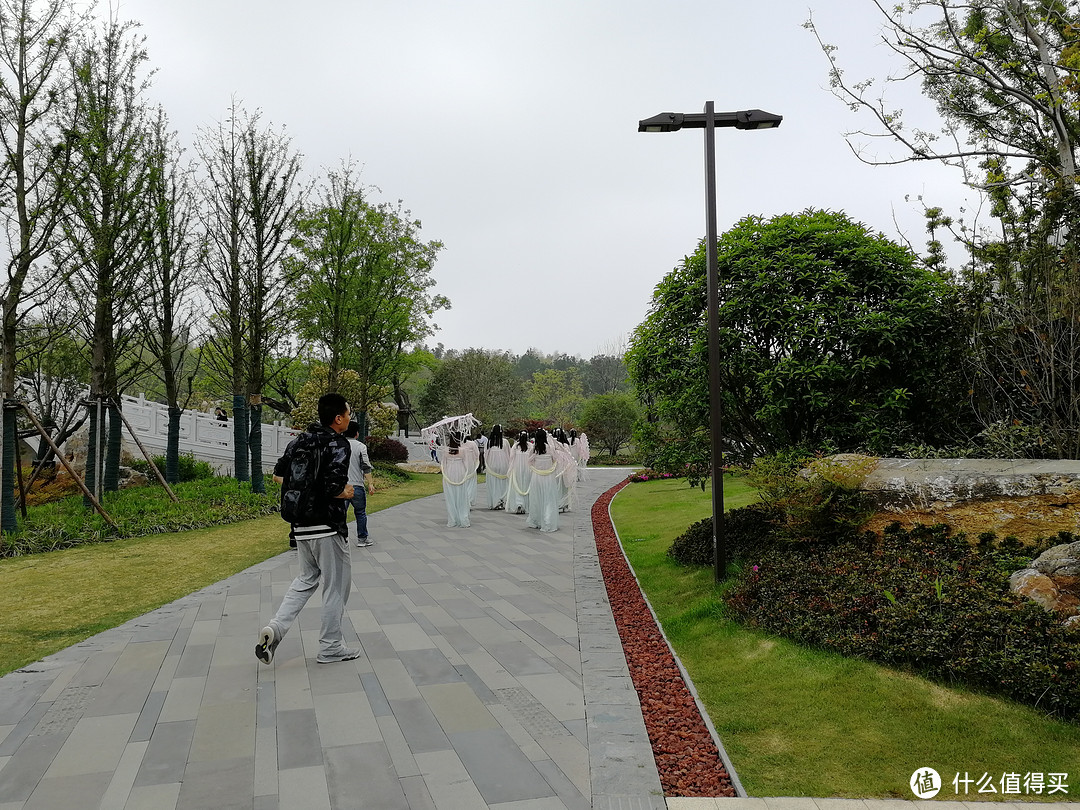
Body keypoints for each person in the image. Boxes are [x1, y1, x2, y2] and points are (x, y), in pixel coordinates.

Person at [256, 393, 360, 666]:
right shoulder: (338, 443)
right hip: (327, 527)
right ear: (338, 418)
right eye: (348, 413)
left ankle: (276, 629)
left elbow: (279, 474)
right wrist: (346, 492)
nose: (350, 417)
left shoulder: (298, 441)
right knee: (335, 587)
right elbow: (333, 487)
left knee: (305, 580)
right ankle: (331, 646)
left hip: (300, 526)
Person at [526, 428, 573, 532]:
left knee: (537, 498)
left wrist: (536, 465)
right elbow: (555, 459)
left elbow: (529, 461)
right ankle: (548, 521)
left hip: (537, 477)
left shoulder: (534, 449)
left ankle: (536, 520)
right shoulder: (549, 448)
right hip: (548, 477)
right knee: (548, 498)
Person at [344, 421, 375, 548]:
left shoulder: (338, 445)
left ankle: (341, 539)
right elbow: (365, 467)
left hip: (342, 486)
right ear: (357, 433)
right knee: (360, 513)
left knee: (341, 514)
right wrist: (371, 483)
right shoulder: (361, 447)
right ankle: (362, 538)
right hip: (357, 484)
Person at [438, 431, 479, 527]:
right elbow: (466, 464)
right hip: (460, 472)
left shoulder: (445, 451)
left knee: (451, 496)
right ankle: (462, 517)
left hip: (449, 473)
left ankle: (452, 518)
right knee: (461, 494)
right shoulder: (463, 450)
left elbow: (443, 464)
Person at [483, 424, 511, 510]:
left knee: (492, 483)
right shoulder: (505, 442)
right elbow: (509, 454)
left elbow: (485, 454)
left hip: (492, 464)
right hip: (503, 464)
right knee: (502, 483)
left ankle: (494, 501)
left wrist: (486, 464)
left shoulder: (489, 442)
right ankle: (501, 501)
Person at [505, 431, 532, 515]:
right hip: (528, 469)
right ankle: (526, 505)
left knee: (517, 486)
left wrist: (510, 469)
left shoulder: (515, 446)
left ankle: (519, 503)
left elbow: (511, 458)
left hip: (517, 468)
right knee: (526, 486)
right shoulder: (531, 446)